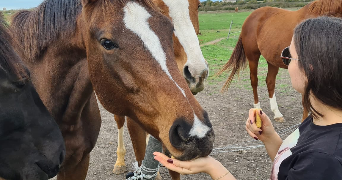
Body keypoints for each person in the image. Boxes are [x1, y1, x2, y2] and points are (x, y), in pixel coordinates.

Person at [153, 16, 342, 180]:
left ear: (310, 69)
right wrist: (270, 138)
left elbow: (309, 164)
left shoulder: (324, 160)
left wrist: (213, 168)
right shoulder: (323, 116)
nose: (284, 61)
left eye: (288, 55)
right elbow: (293, 165)